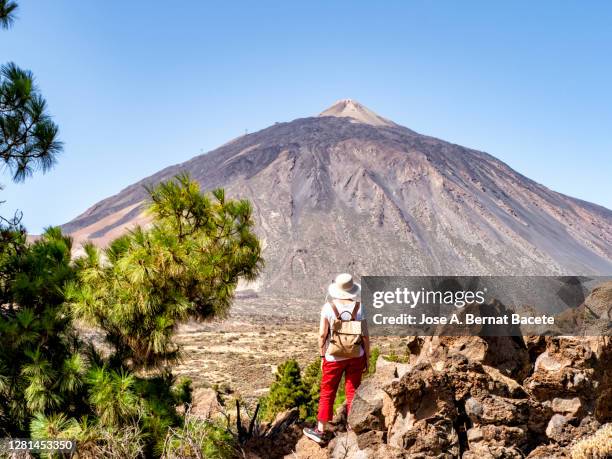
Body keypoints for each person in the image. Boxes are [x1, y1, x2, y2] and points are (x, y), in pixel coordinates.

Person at [303, 273, 370, 444]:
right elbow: (366, 336)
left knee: (328, 391)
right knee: (353, 391)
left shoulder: (328, 307)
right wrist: (367, 357)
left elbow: (322, 334)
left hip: (333, 356)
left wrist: (321, 355)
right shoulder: (361, 307)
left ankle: (320, 430)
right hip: (356, 355)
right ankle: (352, 427)